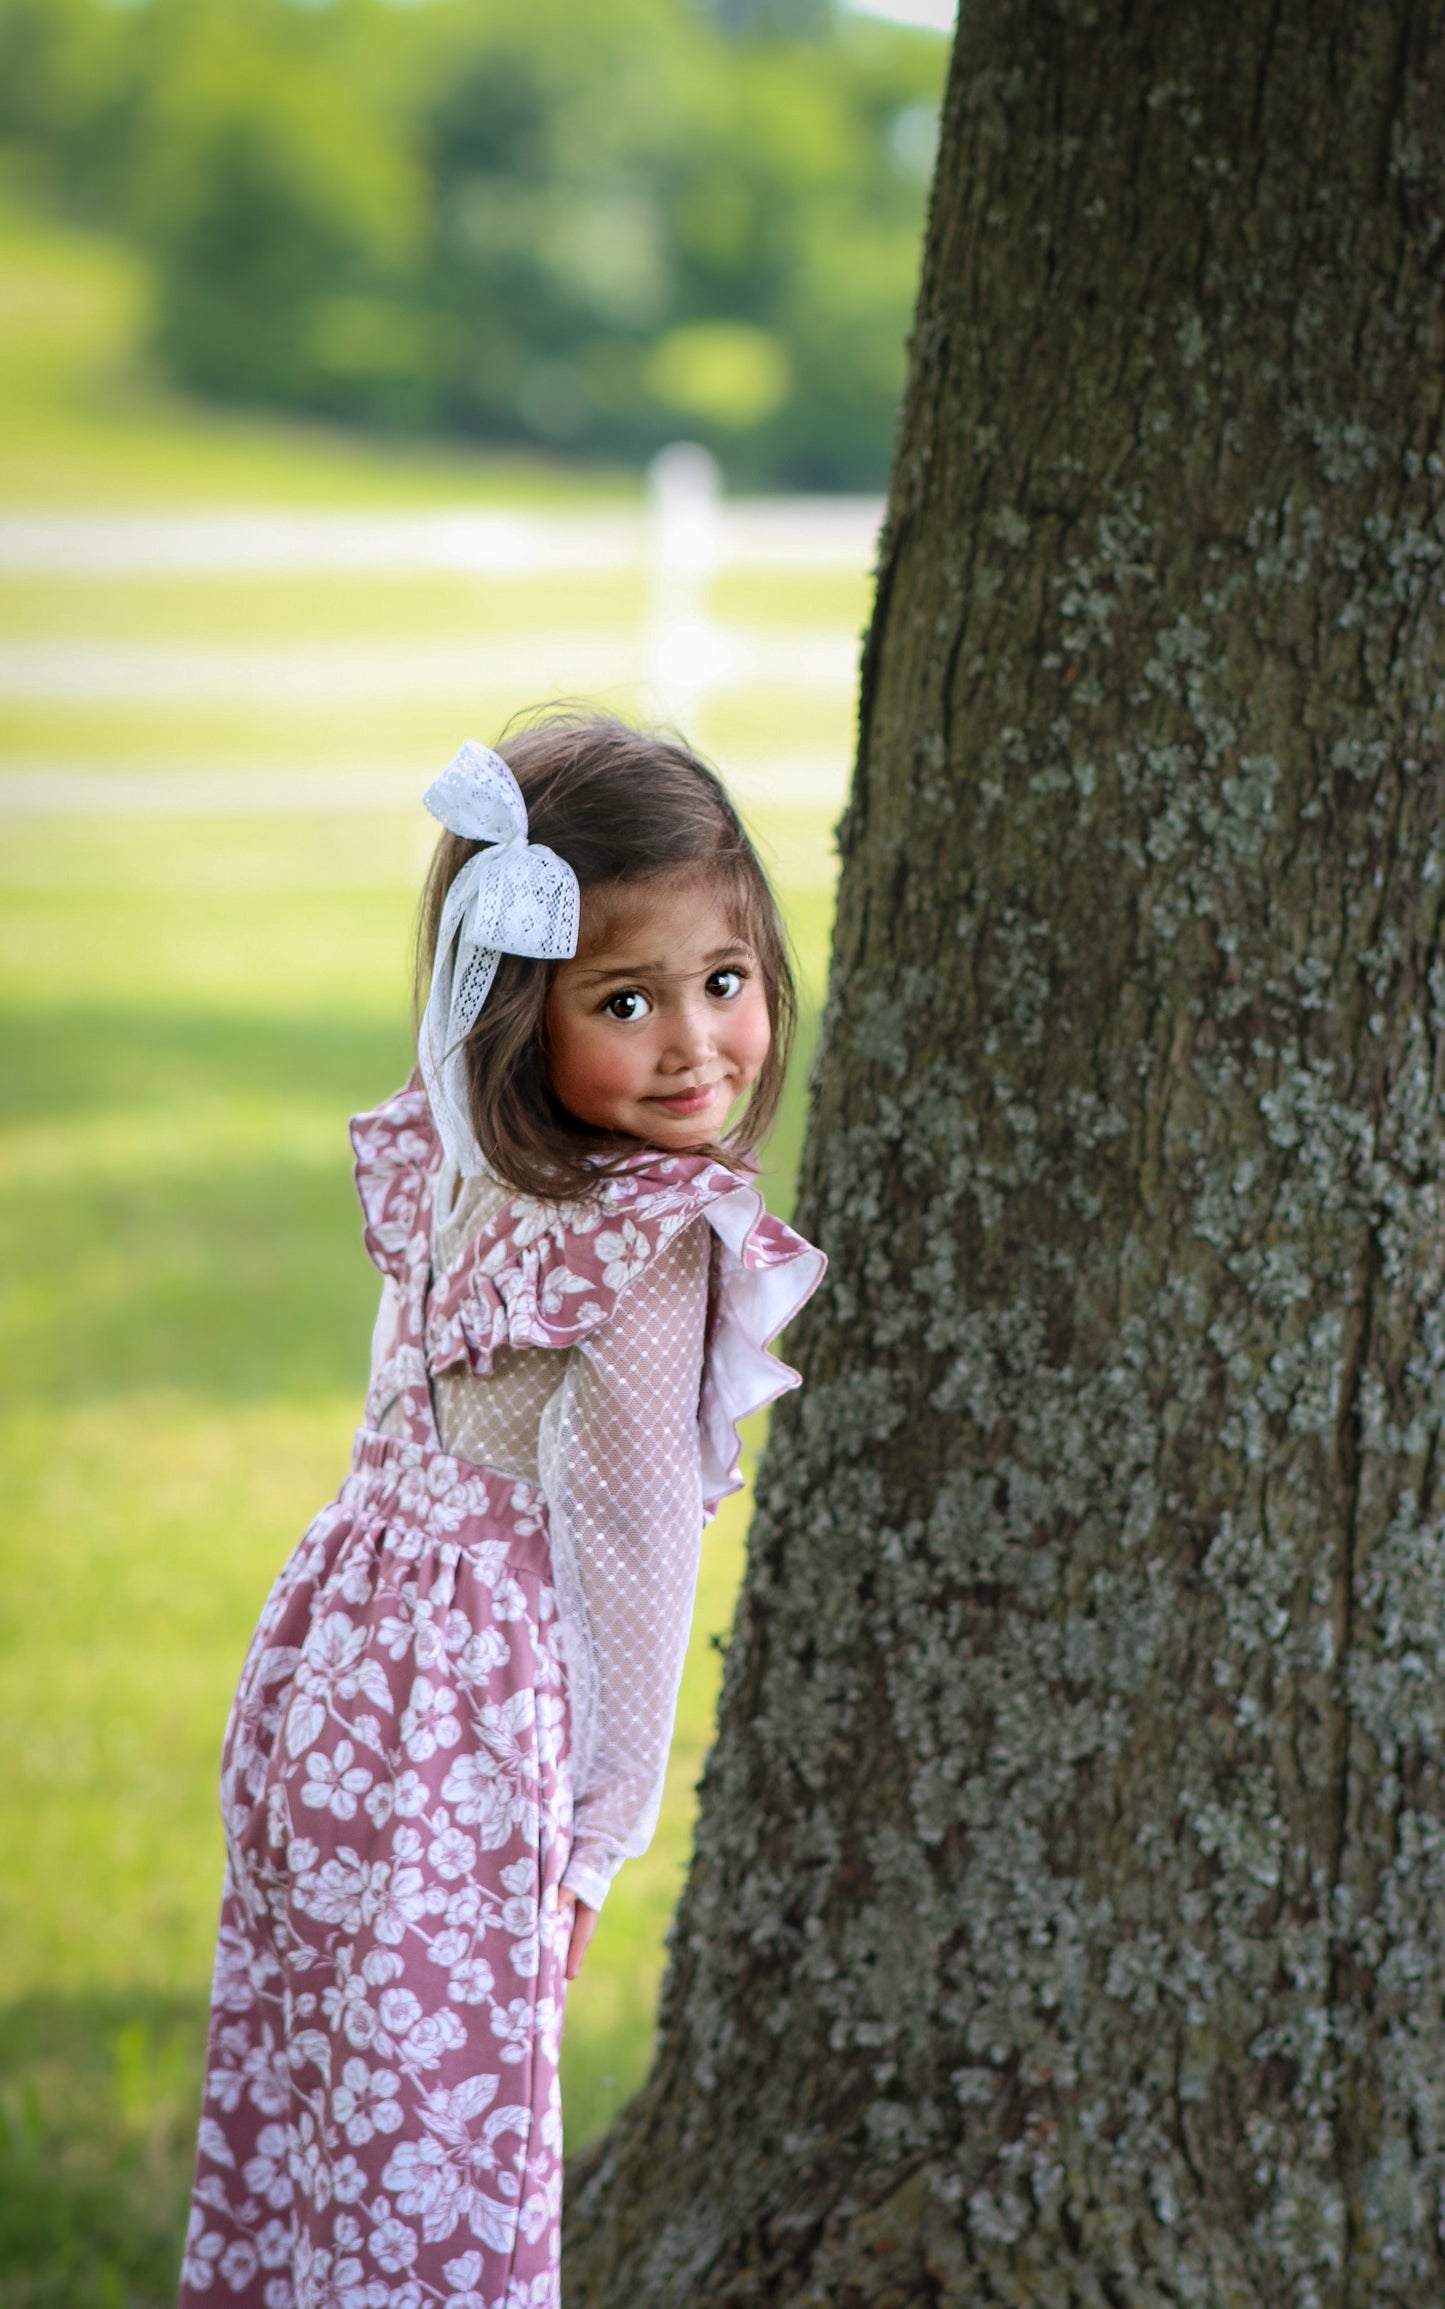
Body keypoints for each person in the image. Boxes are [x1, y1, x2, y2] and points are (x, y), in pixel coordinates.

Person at [179, 713, 825, 2308]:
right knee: (443, 2171)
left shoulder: (467, 1165)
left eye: (722, 981)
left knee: (329, 2120)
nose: (694, 1044)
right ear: (513, 1013)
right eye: (625, 999)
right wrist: (600, 1842)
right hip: (469, 1747)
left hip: (333, 1696)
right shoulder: (649, 1239)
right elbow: (625, 1545)